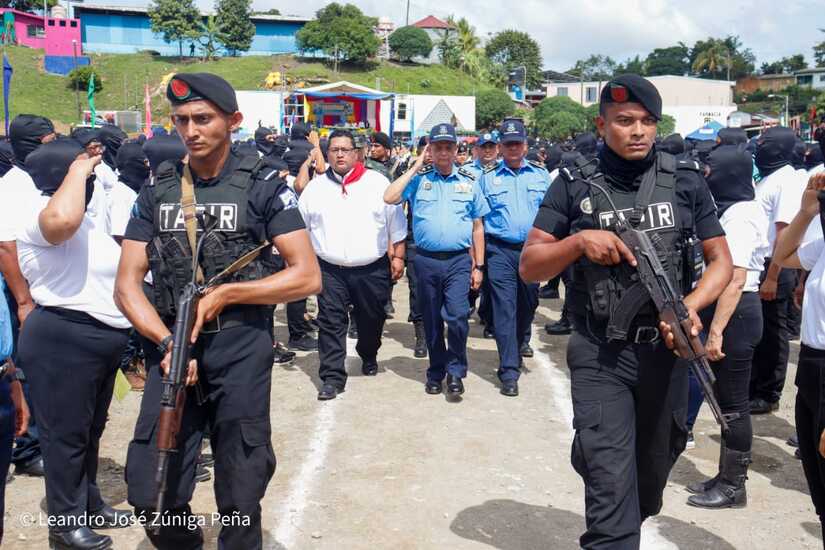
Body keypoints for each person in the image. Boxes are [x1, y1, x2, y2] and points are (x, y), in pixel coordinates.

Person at [519, 74, 732, 549]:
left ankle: (600, 457)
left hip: (668, 355)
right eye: (624, 121)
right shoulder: (573, 186)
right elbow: (530, 267)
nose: (637, 131)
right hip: (601, 354)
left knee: (650, 479)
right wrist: (577, 241)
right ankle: (601, 461)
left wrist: (691, 306)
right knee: (613, 503)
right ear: (602, 125)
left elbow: (722, 263)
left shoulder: (685, 181)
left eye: (647, 122)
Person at [115, 72, 321, 549]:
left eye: (203, 119)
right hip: (173, 351)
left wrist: (228, 294)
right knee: (152, 487)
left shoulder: (264, 184)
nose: (191, 130)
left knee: (241, 486)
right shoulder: (159, 189)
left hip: (239, 347)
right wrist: (167, 343)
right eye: (182, 120)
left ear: (233, 120)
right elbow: (126, 286)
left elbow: (306, 275)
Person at [18, 138, 134, 550]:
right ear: (63, 177)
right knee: (64, 438)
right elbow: (61, 221)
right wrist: (78, 169)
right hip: (63, 342)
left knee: (87, 432)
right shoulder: (38, 218)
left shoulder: (87, 222)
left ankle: (88, 503)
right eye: (87, 174)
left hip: (98, 343)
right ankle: (65, 525)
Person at [684, 144, 767, 508]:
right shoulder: (733, 209)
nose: (706, 176)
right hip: (728, 312)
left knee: (733, 404)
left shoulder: (743, 216)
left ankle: (734, 486)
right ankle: (724, 475)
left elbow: (734, 278)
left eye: (711, 170)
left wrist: (715, 332)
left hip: (736, 315)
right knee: (723, 401)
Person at [299, 129, 406, 400]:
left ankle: (368, 352)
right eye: (334, 150)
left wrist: (398, 257)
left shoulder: (378, 183)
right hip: (330, 268)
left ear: (357, 153)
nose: (339, 154)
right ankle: (332, 377)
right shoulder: (316, 188)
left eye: (345, 149)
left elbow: (397, 225)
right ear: (327, 154)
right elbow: (301, 228)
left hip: (371, 268)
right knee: (331, 322)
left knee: (372, 319)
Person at [384, 123, 489, 396]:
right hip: (425, 260)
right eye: (437, 147)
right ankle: (436, 371)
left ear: (456, 150)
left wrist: (478, 265)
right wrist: (416, 165)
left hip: (457, 261)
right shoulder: (419, 179)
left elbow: (478, 227)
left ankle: (455, 371)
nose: (443, 153)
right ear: (430, 149)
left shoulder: (469, 181)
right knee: (431, 320)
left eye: (448, 147)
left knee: (456, 317)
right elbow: (389, 196)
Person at [0, 115, 55, 479]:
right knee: (28, 366)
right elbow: (6, 247)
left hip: (42, 290)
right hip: (22, 291)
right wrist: (23, 300)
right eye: (49, 140)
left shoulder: (39, 180)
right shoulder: (13, 187)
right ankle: (30, 446)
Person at [480, 119, 550, 396]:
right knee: (504, 309)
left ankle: (522, 339)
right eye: (507, 144)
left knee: (528, 303)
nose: (512, 148)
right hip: (500, 250)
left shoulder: (541, 176)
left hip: (533, 251)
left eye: (517, 143)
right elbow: (479, 219)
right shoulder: (487, 178)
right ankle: (509, 370)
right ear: (500, 147)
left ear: (525, 145)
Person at [773, 172, 825, 540]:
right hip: (811, 365)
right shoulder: (822, 242)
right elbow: (783, 255)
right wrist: (806, 213)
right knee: (820, 494)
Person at [750, 127, 807, 414]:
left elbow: (784, 233)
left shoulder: (786, 181)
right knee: (761, 332)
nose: (758, 148)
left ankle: (769, 392)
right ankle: (758, 385)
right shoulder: (770, 178)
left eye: (764, 144)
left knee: (774, 333)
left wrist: (772, 276)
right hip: (763, 264)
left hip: (776, 266)